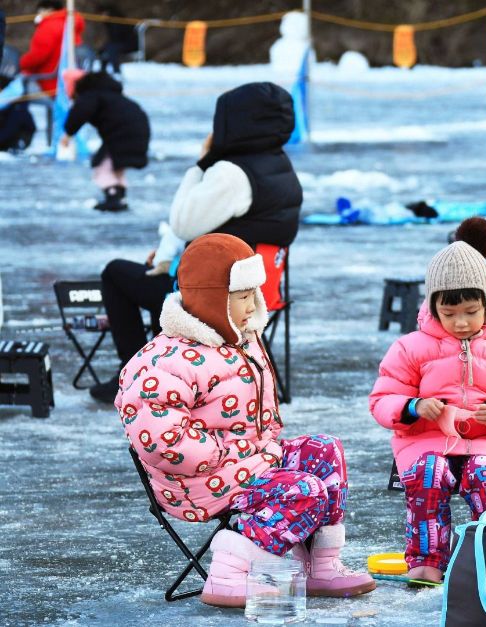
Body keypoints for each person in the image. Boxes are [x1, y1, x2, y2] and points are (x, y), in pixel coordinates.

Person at [117, 233, 375, 607]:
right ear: (211, 298)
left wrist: (261, 446)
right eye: (242, 297)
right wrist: (226, 452)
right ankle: (228, 574)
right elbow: (159, 438)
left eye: (255, 294)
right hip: (199, 479)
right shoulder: (165, 361)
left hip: (249, 461)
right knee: (302, 490)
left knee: (323, 450)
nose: (254, 305)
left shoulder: (241, 338)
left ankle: (320, 565)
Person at [90, 81, 301, 403]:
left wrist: (202, 164)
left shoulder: (232, 173)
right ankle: (160, 368)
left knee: (116, 274)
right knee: (149, 275)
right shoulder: (280, 165)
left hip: (215, 297)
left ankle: (134, 373)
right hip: (259, 292)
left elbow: (182, 222)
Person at [369, 236, 486, 584]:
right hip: (427, 441)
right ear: (433, 307)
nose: (461, 322)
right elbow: (383, 398)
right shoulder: (411, 348)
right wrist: (413, 407)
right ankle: (427, 560)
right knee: (428, 476)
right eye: (449, 313)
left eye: (471, 312)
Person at [60, 71, 150, 211]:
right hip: (137, 130)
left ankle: (113, 197)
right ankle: (119, 196)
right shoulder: (109, 94)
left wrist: (68, 133)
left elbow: (80, 112)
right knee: (115, 165)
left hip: (122, 133)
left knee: (101, 166)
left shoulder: (91, 95)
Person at [19, 1, 85, 96]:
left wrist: (20, 63)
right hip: (69, 80)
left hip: (49, 81)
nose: (38, 15)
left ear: (48, 10)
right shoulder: (70, 23)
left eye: (39, 11)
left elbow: (37, 57)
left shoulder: (48, 27)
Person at [96, 3, 138, 74]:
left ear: (106, 13)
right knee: (105, 49)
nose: (101, 17)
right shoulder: (110, 22)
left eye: (101, 14)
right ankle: (102, 72)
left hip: (130, 44)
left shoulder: (116, 21)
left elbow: (117, 38)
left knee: (111, 49)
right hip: (121, 43)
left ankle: (116, 72)